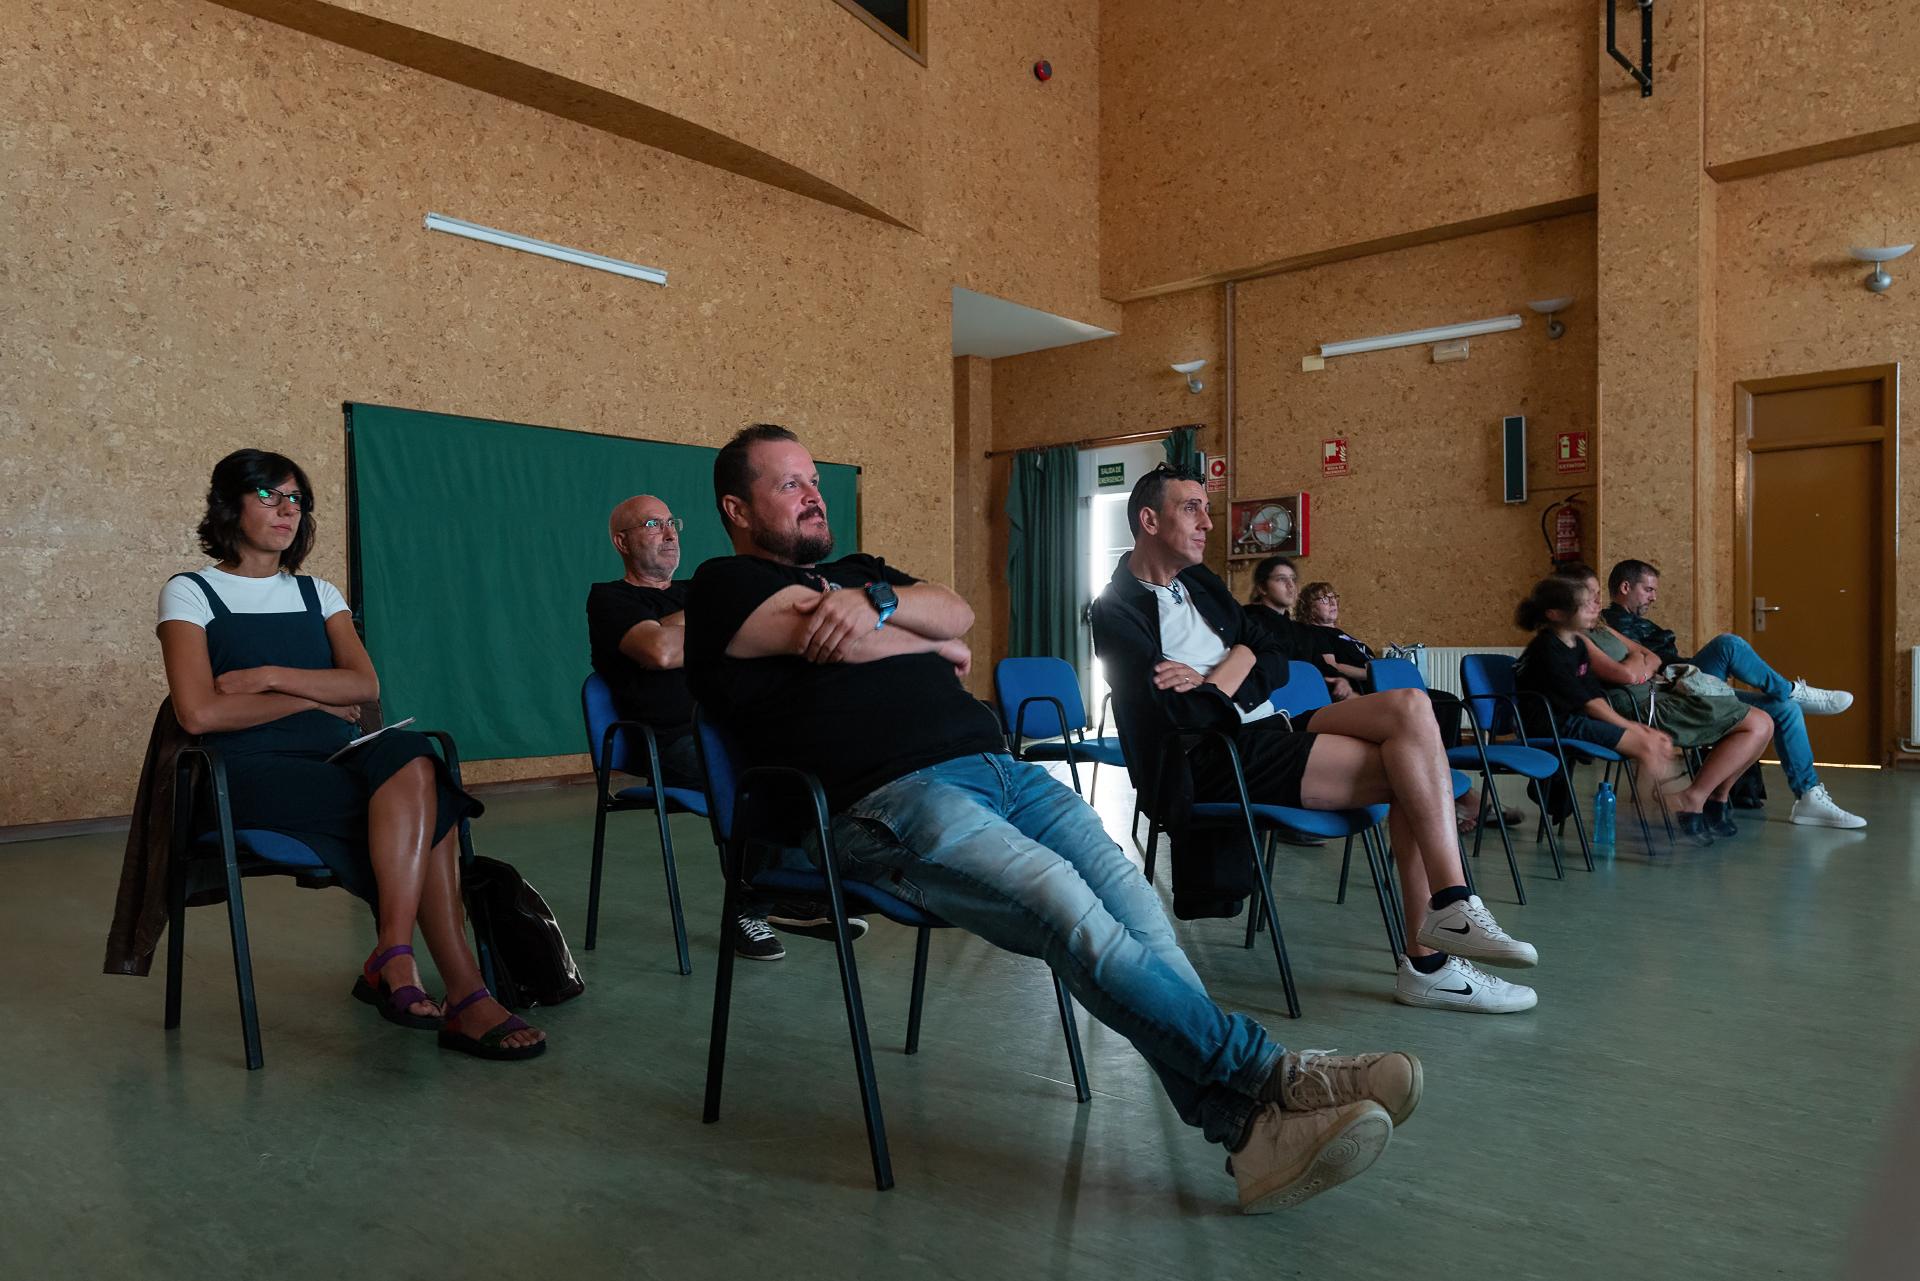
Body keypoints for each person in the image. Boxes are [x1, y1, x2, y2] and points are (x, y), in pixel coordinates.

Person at [686, 425, 1416, 1214]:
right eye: (788, 484)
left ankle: (1247, 1132)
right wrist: (916, 643)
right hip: (886, 802)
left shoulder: (859, 574)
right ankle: (1277, 1074)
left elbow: (957, 614)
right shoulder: (722, 584)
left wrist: (877, 606)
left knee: (1140, 915)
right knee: (1071, 912)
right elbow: (834, 637)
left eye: (813, 478)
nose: (813, 492)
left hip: (1004, 770)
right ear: (737, 506)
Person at [1094, 465, 1540, 1016]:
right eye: (1192, 508)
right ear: (1148, 519)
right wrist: (1232, 672)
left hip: (1264, 728)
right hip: (1213, 758)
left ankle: (1451, 904)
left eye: (1206, 509)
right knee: (1418, 774)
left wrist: (1227, 669)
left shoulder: (1199, 584)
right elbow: (1184, 712)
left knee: (1412, 707)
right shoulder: (1114, 612)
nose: (1208, 522)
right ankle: (1430, 960)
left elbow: (1271, 649)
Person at [157, 449, 544, 1060]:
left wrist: (264, 677)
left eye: (296, 500)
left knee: (414, 755)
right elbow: (200, 713)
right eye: (269, 496)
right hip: (242, 772)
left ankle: (393, 953)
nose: (287, 510)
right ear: (230, 505)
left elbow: (364, 688)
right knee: (431, 801)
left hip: (333, 757)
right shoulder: (191, 592)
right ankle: (466, 993)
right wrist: (310, 700)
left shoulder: (319, 592)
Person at [587, 494, 866, 961]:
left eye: (672, 522)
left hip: (734, 725)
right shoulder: (611, 598)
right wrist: (711, 615)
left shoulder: (698, 588)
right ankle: (751, 904)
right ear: (622, 541)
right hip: (666, 740)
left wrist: (678, 620)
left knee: (816, 758)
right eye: (653, 524)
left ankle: (791, 892)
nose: (670, 532)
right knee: (756, 779)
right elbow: (660, 653)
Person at [1603, 559, 1864, 829]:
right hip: (1668, 692)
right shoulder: (1610, 626)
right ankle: (1792, 690)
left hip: (1682, 681)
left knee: (1785, 709)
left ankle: (1808, 795)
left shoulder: (1636, 624)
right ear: (1625, 587)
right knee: (1728, 645)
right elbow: (1642, 668)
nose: (1654, 597)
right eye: (1648, 590)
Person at [1244, 557, 1495, 835]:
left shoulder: (1296, 629)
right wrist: (1341, 681)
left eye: (1293, 578)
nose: (1291, 585)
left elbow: (1316, 665)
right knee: (1407, 725)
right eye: (1282, 579)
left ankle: (1455, 798)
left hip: (1331, 693)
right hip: (1295, 707)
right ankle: (1459, 800)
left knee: (1435, 704)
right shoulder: (1255, 621)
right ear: (1262, 588)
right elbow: (1311, 668)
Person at [1514, 575, 1769, 847]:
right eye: (1585, 604)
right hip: (1554, 724)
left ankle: (1653, 814)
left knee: (1657, 740)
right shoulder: (1546, 649)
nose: (1594, 608)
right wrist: (1632, 727)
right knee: (1646, 744)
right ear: (1556, 614)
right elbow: (1586, 702)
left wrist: (1637, 727)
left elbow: (1592, 694)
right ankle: (1646, 818)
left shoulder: (1575, 645)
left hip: (1573, 717)